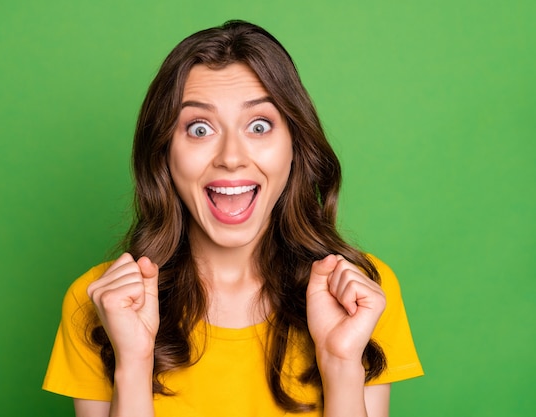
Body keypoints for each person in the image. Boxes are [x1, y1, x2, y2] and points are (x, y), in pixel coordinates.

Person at [42, 20, 423, 417]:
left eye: (259, 126)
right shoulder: (102, 302)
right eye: (200, 128)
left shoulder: (361, 296)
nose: (231, 156)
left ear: (295, 145)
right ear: (163, 154)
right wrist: (134, 363)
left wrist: (342, 364)